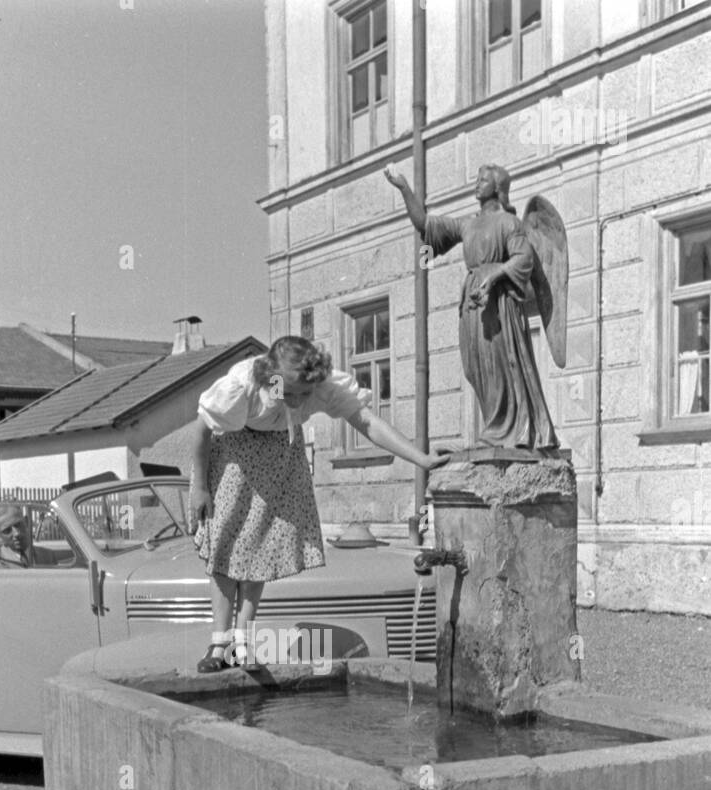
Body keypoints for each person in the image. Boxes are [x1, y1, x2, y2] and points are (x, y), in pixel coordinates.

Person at [189, 335, 442, 672]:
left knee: (260, 546)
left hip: (279, 455)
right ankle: (218, 644)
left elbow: (367, 423)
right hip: (235, 450)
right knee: (227, 544)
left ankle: (242, 641)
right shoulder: (252, 385)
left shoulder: (318, 385)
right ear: (274, 378)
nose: (298, 401)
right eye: (290, 393)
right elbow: (202, 430)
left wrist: (421, 459)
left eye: (304, 394)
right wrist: (199, 486)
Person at [385, 161, 558, 451]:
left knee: (501, 363)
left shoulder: (509, 223)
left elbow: (523, 259)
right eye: (477, 179)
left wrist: (495, 275)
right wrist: (404, 187)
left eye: (483, 180)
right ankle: (495, 427)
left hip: (499, 304)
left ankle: (511, 431)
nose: (476, 184)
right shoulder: (468, 224)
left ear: (498, 188)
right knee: (475, 367)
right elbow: (424, 224)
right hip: (473, 303)